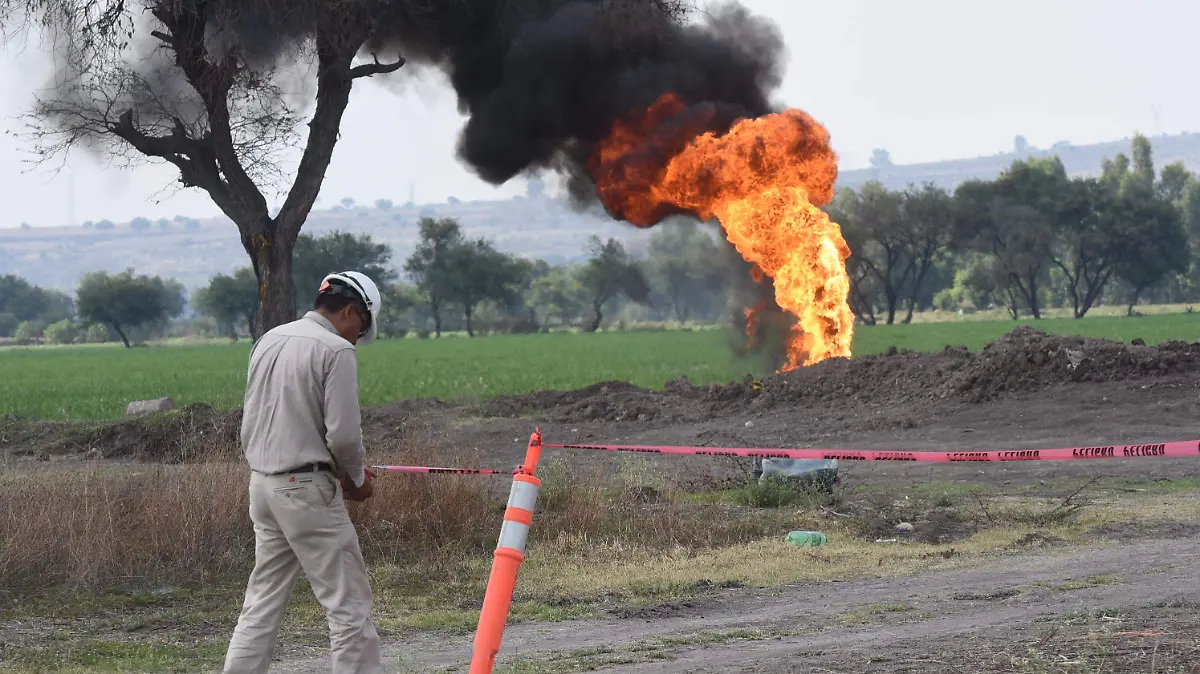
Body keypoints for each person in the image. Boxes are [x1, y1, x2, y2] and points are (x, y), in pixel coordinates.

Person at [223, 271, 384, 674]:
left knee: (261, 604)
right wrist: (358, 481)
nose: (356, 340)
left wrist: (342, 468)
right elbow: (345, 437)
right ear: (350, 311)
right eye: (360, 330)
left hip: (262, 486)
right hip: (306, 490)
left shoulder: (269, 340)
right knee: (348, 606)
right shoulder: (335, 351)